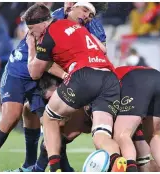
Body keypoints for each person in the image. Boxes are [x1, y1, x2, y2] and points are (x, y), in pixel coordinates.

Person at [0, 2, 108, 172]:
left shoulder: (90, 23)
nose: (69, 4)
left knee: (50, 119)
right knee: (12, 116)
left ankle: (40, 167)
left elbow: (101, 51)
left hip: (44, 70)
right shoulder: (54, 18)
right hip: (21, 69)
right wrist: (65, 75)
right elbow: (39, 65)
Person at [24, 3, 125, 172]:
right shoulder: (79, 28)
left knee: (50, 119)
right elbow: (102, 49)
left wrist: (31, 47)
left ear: (42, 23)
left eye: (32, 30)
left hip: (84, 75)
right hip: (109, 78)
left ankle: (55, 168)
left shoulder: (49, 33)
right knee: (101, 134)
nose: (32, 34)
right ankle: (117, 161)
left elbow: (34, 73)